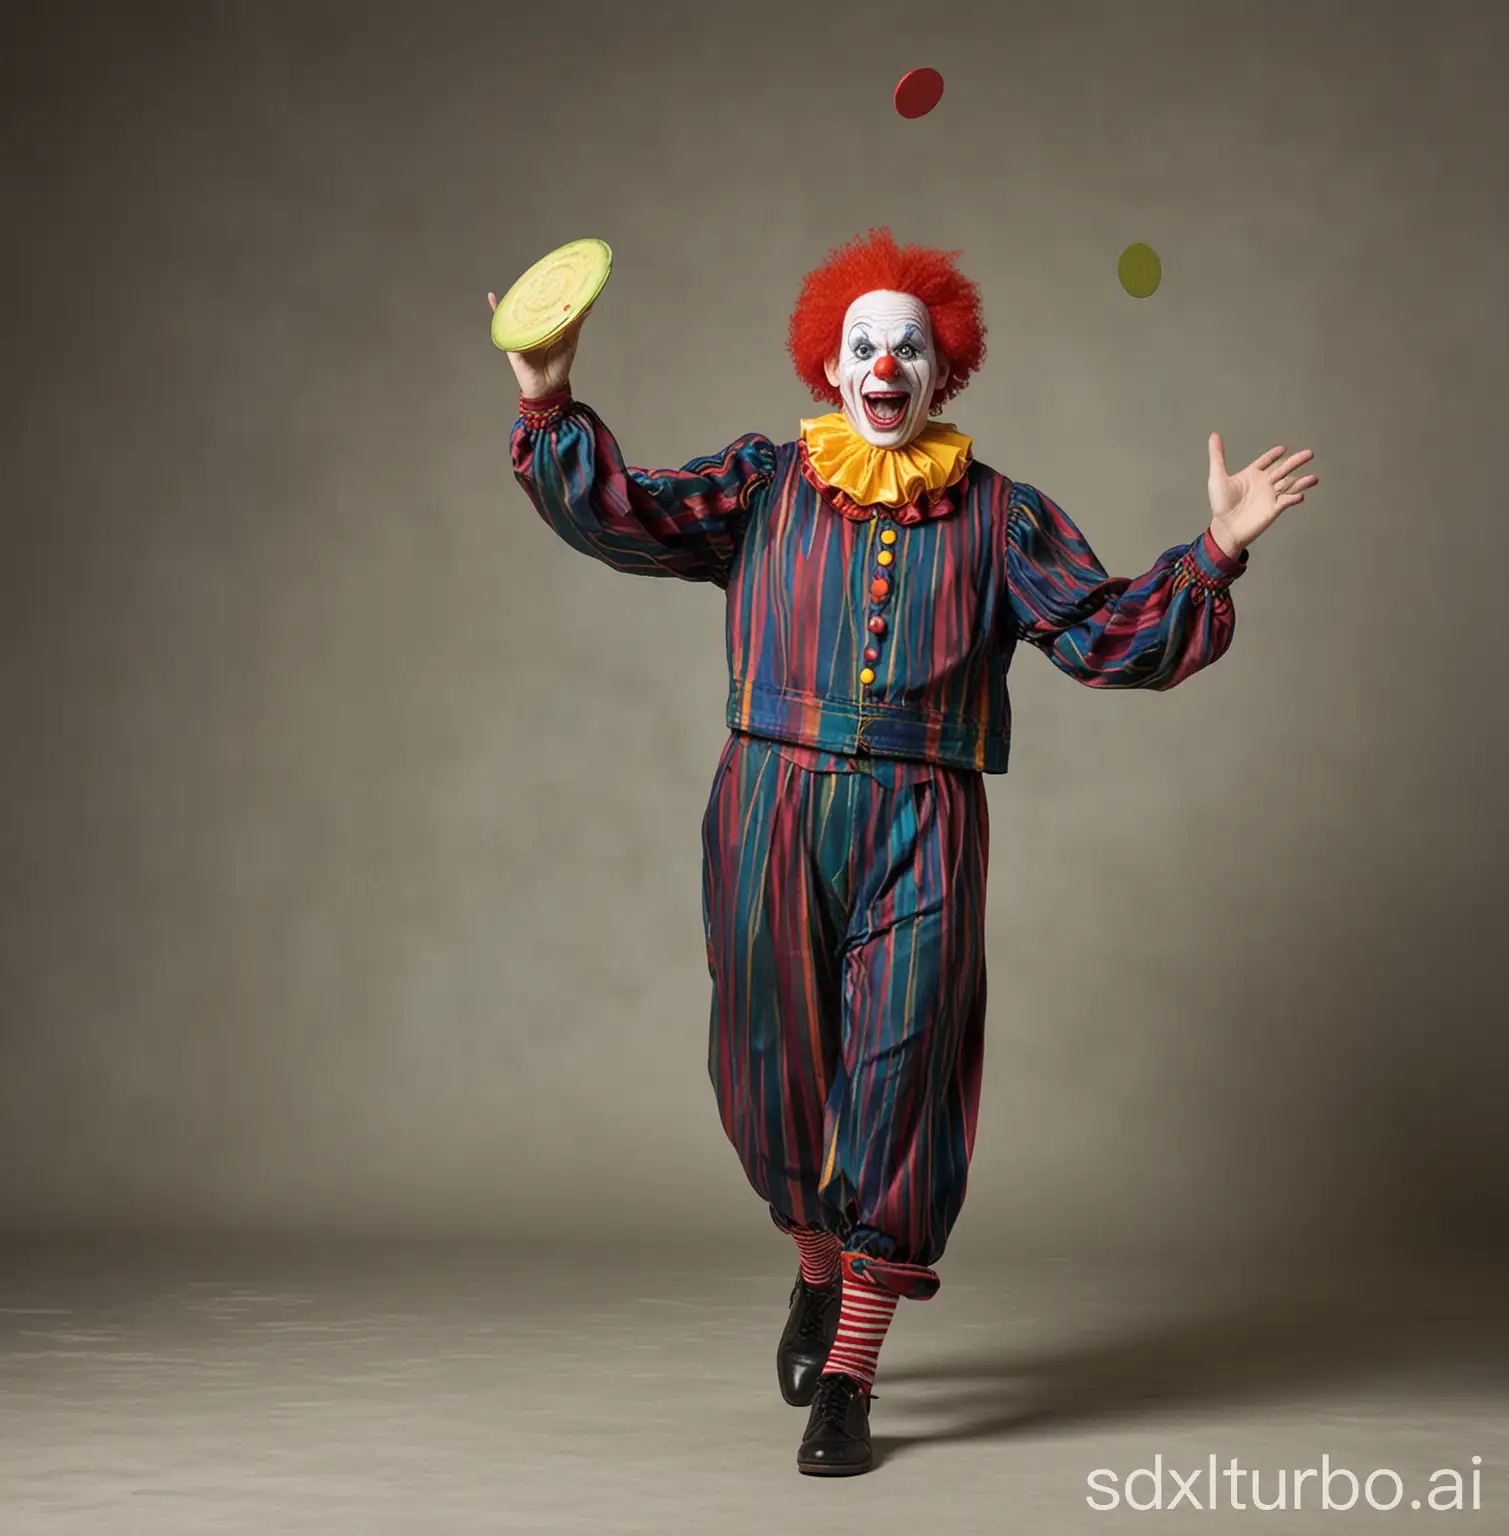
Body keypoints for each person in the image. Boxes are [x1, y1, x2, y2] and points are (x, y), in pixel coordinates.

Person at [488, 227, 1318, 1476]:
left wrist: (1215, 551)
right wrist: (548, 398)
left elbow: (1102, 637)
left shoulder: (1001, 515)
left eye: (909, 349)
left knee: (905, 1073)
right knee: (765, 1076)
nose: (885, 365)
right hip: (767, 804)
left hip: (925, 821)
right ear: (830, 364)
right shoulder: (767, 483)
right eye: (862, 345)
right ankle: (815, 1264)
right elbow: (626, 515)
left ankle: (853, 1372)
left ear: (946, 373)